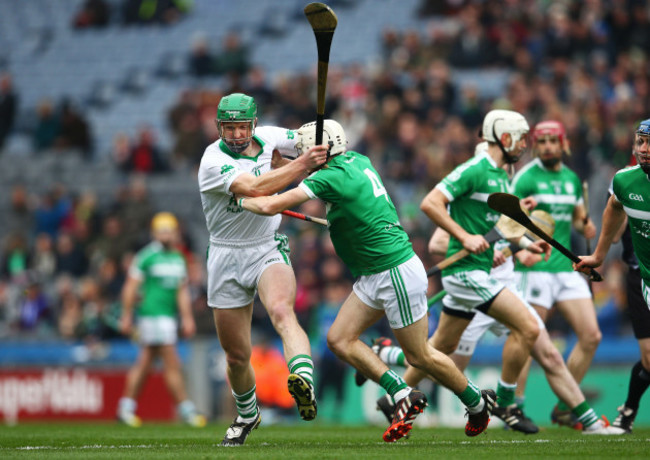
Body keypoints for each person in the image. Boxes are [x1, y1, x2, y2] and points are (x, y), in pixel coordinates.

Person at [239, 118, 497, 443]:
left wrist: (237, 197)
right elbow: (312, 174)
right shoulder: (357, 160)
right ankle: (402, 393)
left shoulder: (329, 178)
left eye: (306, 151)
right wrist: (286, 165)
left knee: (420, 356)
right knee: (339, 339)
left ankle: (477, 402)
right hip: (373, 275)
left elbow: (268, 203)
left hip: (393, 271)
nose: (304, 157)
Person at [367, 225, 623, 435]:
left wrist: (524, 248)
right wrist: (480, 249)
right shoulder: (470, 193)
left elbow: (508, 241)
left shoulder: (505, 194)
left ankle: (587, 422)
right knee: (443, 365)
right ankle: (391, 368)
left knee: (547, 352)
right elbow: (437, 244)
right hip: (472, 294)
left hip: (505, 292)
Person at [197, 93, 327, 446]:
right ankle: (247, 414)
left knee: (283, 311)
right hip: (225, 255)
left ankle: (302, 379)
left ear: (254, 124)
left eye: (242, 126)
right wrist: (301, 166)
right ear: (219, 127)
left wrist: (320, 140)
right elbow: (254, 187)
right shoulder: (212, 161)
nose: (237, 134)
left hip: (267, 247)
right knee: (237, 356)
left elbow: (306, 138)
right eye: (229, 127)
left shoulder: (269, 135)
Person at [413, 110, 546, 431]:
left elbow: (494, 226)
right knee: (528, 328)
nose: (525, 143)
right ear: (504, 137)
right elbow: (430, 202)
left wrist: (525, 239)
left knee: (437, 348)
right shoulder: (475, 169)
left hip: (476, 272)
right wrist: (464, 237)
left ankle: (397, 395)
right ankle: (504, 401)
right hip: (468, 274)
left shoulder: (502, 175)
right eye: (521, 136)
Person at [511, 120, 599, 427]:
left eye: (553, 140)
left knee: (591, 335)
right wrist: (520, 249)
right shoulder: (526, 177)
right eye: (542, 141)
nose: (547, 146)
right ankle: (515, 406)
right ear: (536, 145)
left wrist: (584, 226)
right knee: (526, 337)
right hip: (535, 269)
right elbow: (509, 220)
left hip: (566, 266)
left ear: (563, 144)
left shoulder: (573, 179)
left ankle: (565, 405)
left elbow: (576, 219)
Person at [575, 119, 650, 434]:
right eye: (640, 142)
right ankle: (629, 413)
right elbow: (614, 208)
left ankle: (628, 413)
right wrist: (599, 255)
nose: (644, 150)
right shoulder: (624, 181)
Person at [117, 212, 206, 428]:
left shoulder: (178, 258)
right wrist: (127, 314)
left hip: (168, 317)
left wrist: (187, 318)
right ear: (154, 233)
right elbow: (130, 287)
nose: (165, 234)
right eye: (161, 230)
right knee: (171, 362)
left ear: (175, 233)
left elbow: (181, 292)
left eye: (169, 230)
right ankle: (186, 410)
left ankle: (126, 407)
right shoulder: (146, 256)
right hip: (152, 315)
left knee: (146, 363)